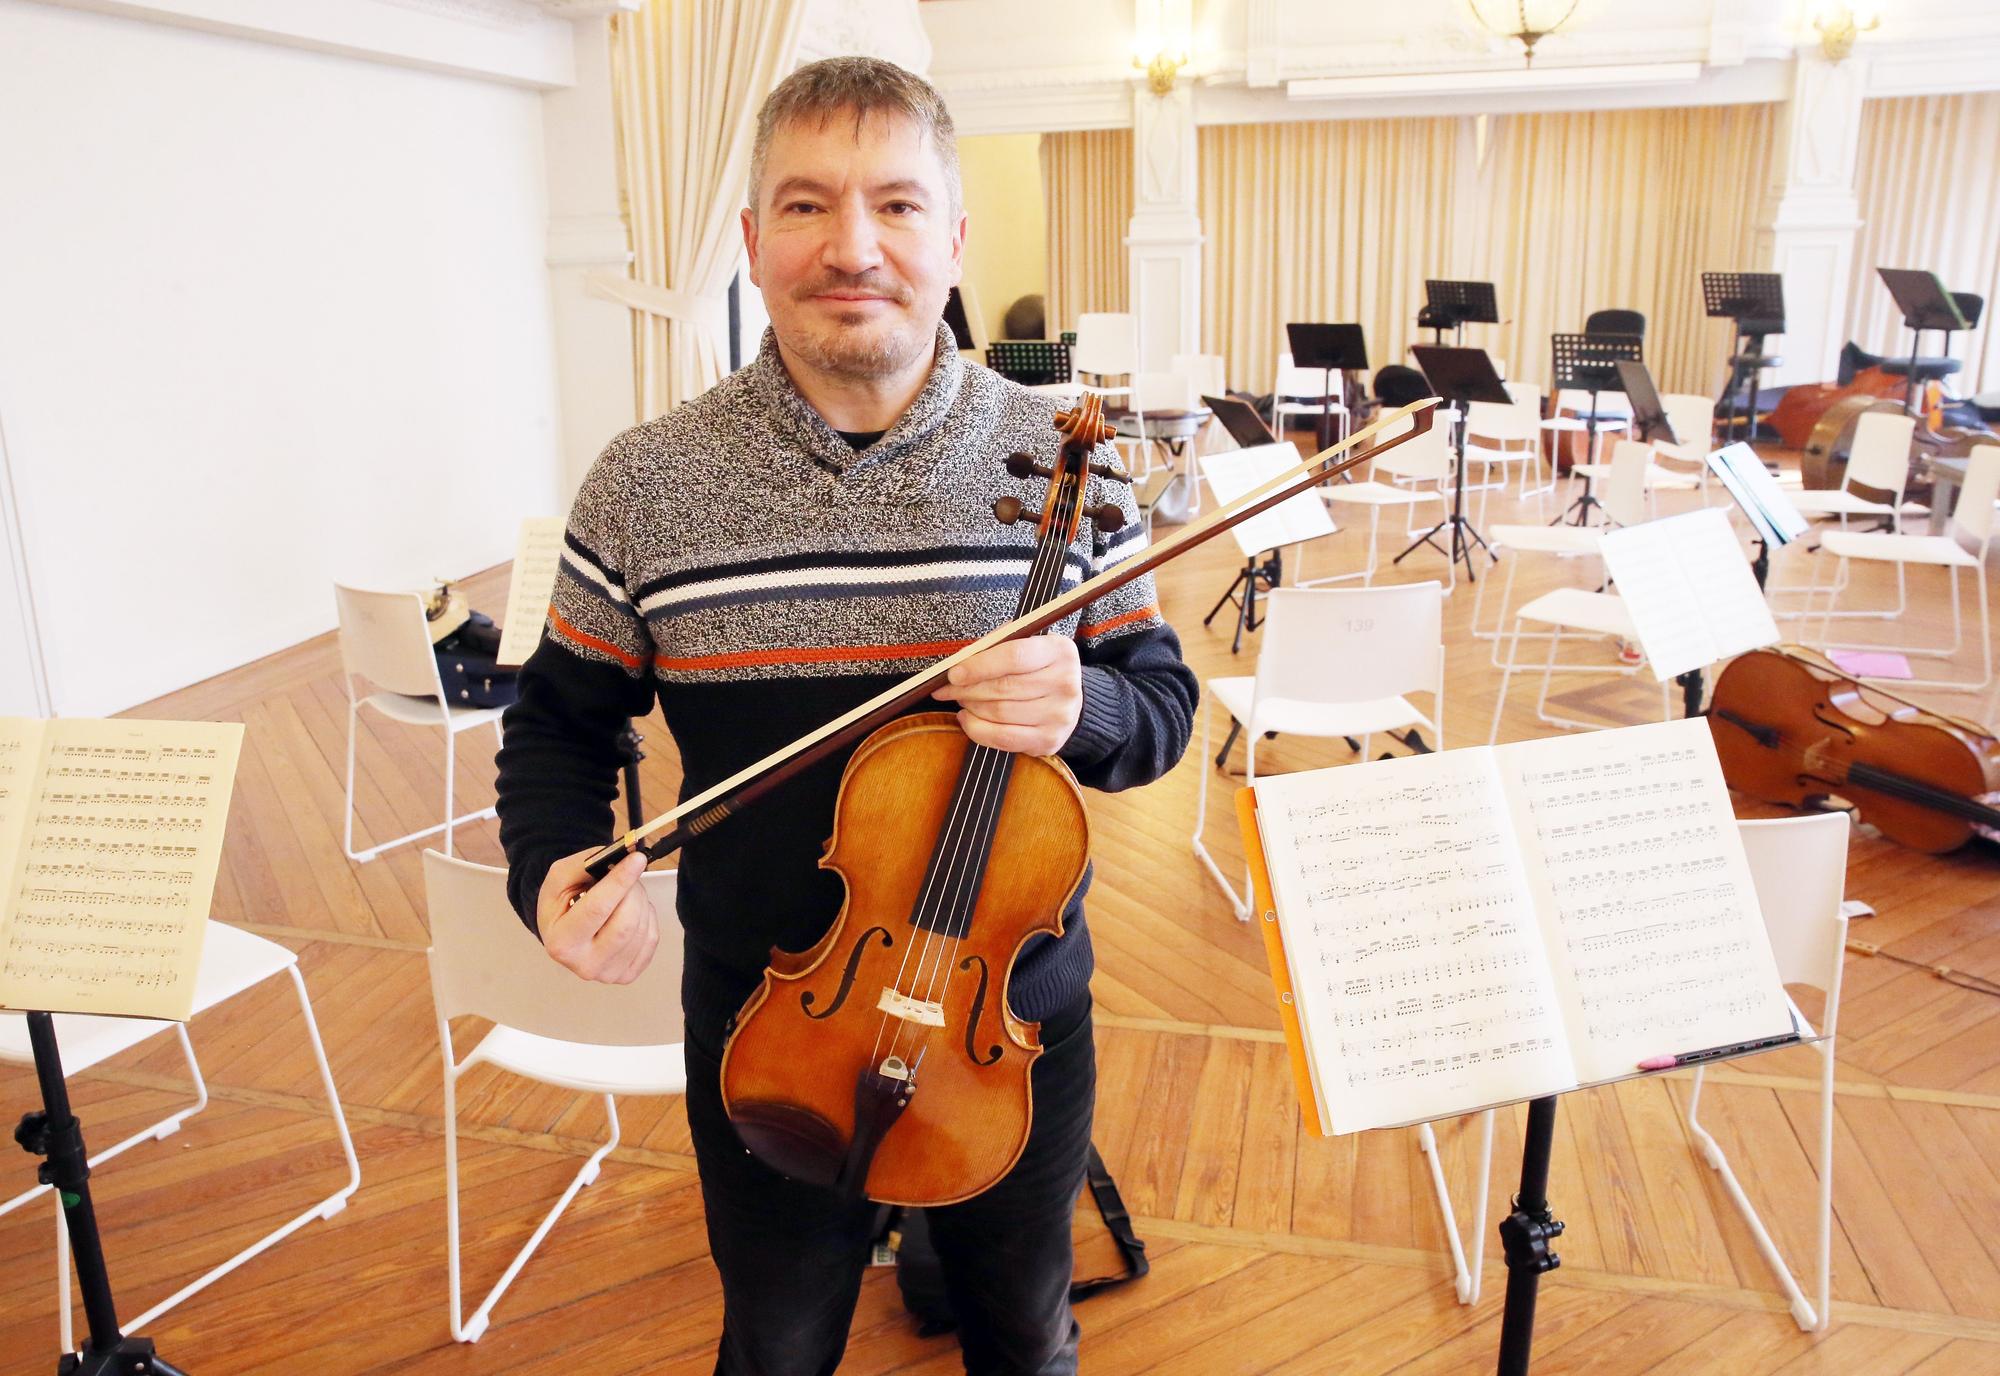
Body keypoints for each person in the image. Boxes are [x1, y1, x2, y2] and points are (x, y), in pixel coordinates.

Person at [494, 55, 1196, 1376]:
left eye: (896, 205)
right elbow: (559, 730)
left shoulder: (1069, 462)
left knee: (1023, 1335)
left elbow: (1160, 712)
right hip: (770, 1026)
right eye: (807, 207)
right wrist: (552, 872)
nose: (853, 248)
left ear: (953, 238)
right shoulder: (648, 483)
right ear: (752, 242)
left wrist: (1082, 703)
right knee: (777, 1344)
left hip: (1012, 1024)